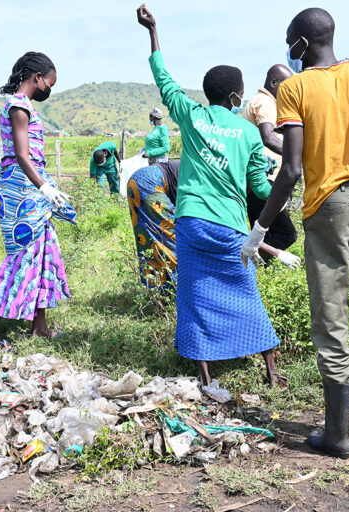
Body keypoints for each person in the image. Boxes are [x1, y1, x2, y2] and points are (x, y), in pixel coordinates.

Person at [242, 7, 349, 458]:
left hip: (327, 204)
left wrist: (260, 226)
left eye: (289, 41)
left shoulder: (295, 87)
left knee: (331, 310)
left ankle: (338, 433)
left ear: (301, 43)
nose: (288, 49)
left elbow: (292, 168)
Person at [137, 4, 287, 389]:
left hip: (191, 223)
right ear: (237, 96)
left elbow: (164, 79)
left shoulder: (193, 116)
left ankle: (205, 377)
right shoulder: (249, 132)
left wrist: (153, 31)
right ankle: (272, 371)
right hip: (232, 228)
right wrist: (283, 193)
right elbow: (259, 188)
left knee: (194, 295)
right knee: (247, 292)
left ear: (208, 93)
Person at [0, 51, 75, 349]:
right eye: (49, 83)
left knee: (43, 254)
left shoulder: (21, 105)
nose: (49, 89)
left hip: (28, 190)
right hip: (21, 192)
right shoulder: (18, 106)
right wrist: (44, 187)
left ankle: (39, 328)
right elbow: (21, 155)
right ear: (38, 78)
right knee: (20, 257)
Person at [128, 160, 301, 289]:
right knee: (174, 244)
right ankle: (168, 300)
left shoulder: (224, 172)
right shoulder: (220, 185)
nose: (249, 192)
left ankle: (156, 294)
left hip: (143, 179)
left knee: (151, 240)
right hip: (151, 184)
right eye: (252, 186)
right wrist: (276, 253)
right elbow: (226, 231)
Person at [241, 65, 298, 259]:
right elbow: (268, 137)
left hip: (256, 180)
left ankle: (253, 272)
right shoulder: (265, 103)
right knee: (286, 234)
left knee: (263, 234)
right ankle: (248, 267)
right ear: (273, 83)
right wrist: (298, 156)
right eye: (286, 86)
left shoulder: (262, 102)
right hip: (262, 180)